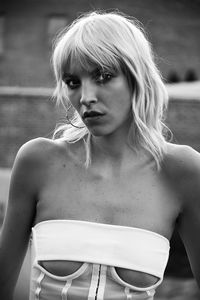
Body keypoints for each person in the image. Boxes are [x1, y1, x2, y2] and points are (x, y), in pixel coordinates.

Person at [0, 10, 200, 300]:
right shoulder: (37, 161)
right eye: (72, 82)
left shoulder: (183, 171)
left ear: (136, 77)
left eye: (103, 76)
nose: (85, 97)